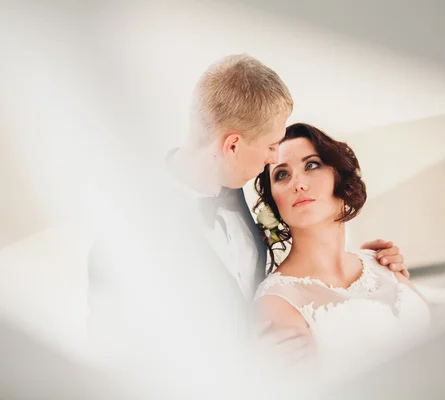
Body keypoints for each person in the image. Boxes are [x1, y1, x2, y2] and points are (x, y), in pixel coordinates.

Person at [86, 54, 408, 392]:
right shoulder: (123, 241)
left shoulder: (237, 195)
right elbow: (115, 369)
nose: (273, 158)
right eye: (271, 146)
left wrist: (365, 273)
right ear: (233, 145)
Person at [253, 123, 431, 383]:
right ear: (273, 201)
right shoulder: (278, 301)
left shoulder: (381, 261)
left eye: (311, 165)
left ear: (340, 176)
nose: (298, 184)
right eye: (281, 175)